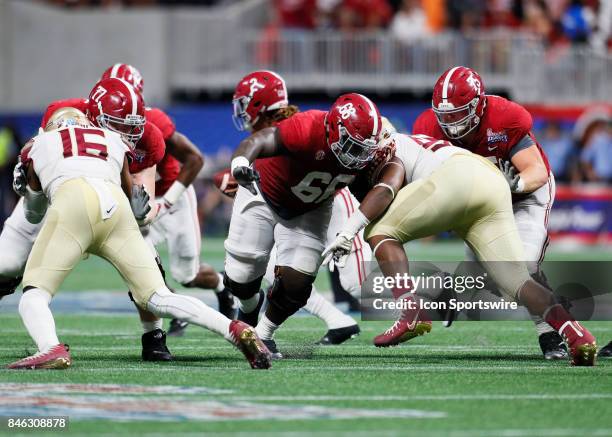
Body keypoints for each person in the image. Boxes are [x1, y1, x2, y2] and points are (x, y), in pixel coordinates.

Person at [7, 108, 271, 370]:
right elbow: (131, 194)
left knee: (34, 294)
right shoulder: (110, 139)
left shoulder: (38, 144)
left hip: (73, 202)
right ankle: (234, 328)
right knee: (158, 296)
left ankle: (50, 348)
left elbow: (33, 214)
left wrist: (26, 188)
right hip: (116, 209)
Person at [322, 131, 598, 366]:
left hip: (457, 177)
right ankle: (577, 334)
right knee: (517, 280)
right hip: (491, 183)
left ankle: (411, 311)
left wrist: (349, 231)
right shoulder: (410, 143)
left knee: (379, 231)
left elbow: (387, 187)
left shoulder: (392, 146)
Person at [0, 78, 171, 361]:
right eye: (117, 123)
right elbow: (39, 172)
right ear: (93, 115)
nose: (126, 132)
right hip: (57, 195)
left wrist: (143, 215)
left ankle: (153, 335)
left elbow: (141, 195)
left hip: (112, 202)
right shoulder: (64, 112)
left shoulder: (149, 136)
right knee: (7, 264)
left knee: (150, 265)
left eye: (132, 125)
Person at [412, 66, 566, 360]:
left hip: (525, 195)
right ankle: (455, 288)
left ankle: (550, 334)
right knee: (488, 272)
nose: (452, 122)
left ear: (479, 104)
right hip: (481, 201)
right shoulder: (427, 127)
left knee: (521, 267)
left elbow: (536, 170)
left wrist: (515, 184)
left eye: (459, 113)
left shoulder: (504, 117)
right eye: (446, 115)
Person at [225, 91, 382, 357]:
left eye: (363, 149)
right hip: (264, 193)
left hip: (312, 208)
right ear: (334, 129)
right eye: (351, 146)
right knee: (240, 280)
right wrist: (240, 163)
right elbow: (261, 139)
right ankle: (249, 307)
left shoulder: (365, 151)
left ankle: (264, 334)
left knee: (298, 285)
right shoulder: (307, 126)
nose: (357, 156)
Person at [100, 64, 236, 333]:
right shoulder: (94, 127)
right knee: (140, 267)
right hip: (135, 201)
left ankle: (223, 286)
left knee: (188, 274)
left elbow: (195, 159)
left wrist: (169, 201)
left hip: (170, 197)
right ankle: (174, 310)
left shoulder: (154, 123)